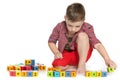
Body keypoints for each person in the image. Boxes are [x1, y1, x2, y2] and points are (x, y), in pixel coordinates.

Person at [48, 3, 117, 74]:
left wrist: (107, 59)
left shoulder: (87, 27)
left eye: (77, 26)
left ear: (83, 21)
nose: (73, 29)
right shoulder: (59, 27)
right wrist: (56, 52)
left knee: (82, 36)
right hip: (66, 53)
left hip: (83, 54)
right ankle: (73, 67)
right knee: (56, 66)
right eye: (70, 25)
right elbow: (51, 41)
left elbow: (97, 45)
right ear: (65, 18)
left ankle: (81, 65)